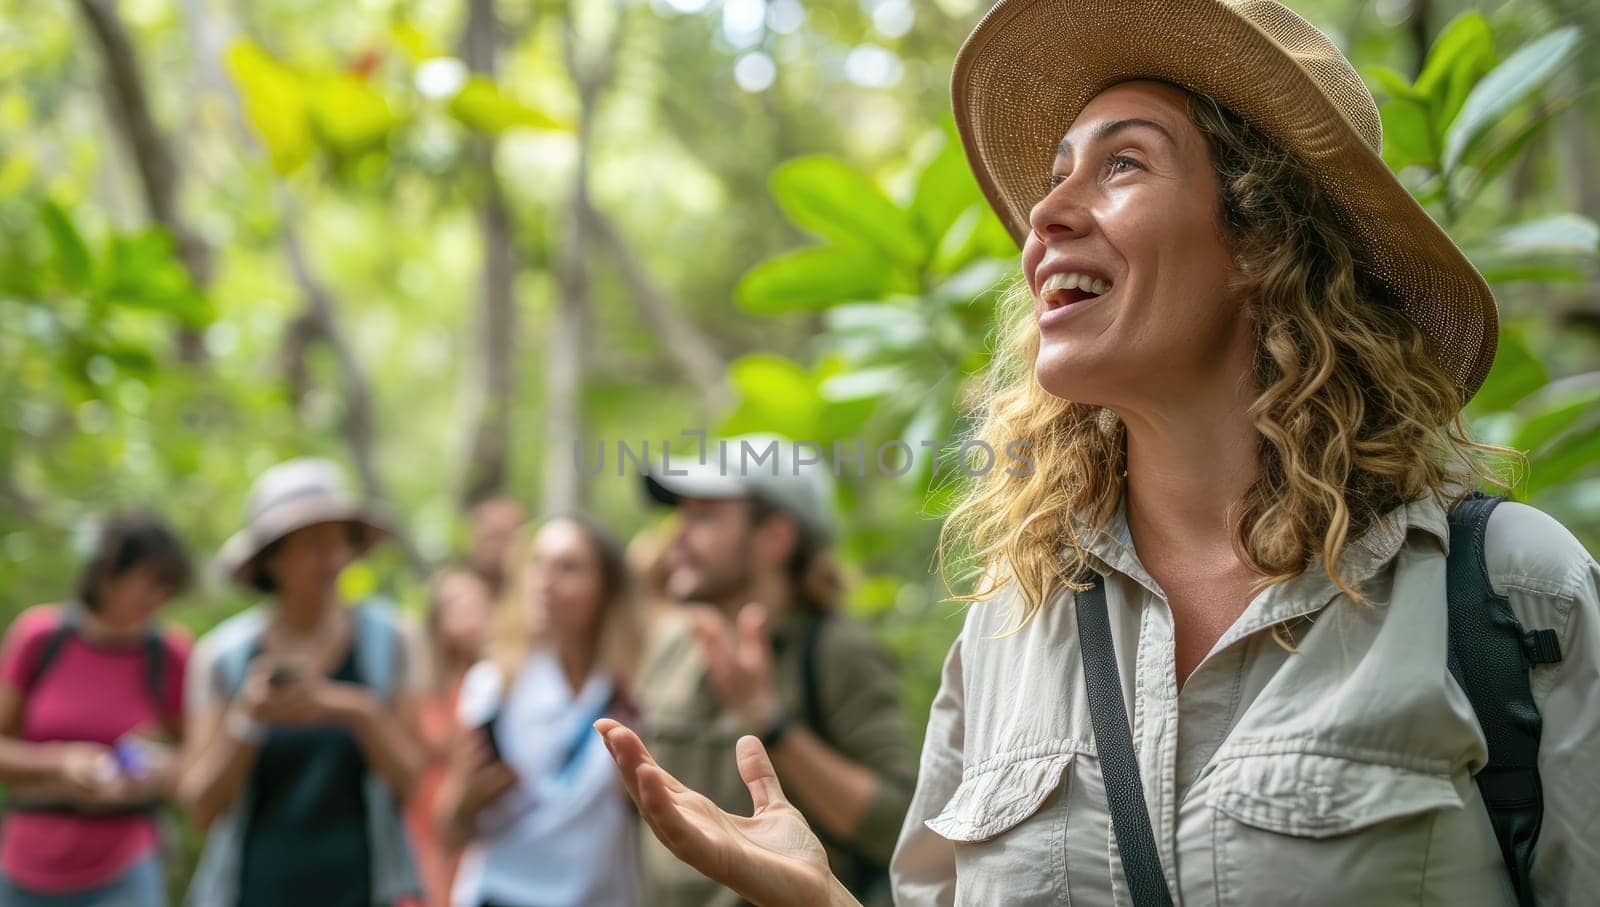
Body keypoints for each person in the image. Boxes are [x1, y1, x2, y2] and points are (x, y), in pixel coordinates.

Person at [595, 1, 1600, 904]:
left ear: (1261, 243)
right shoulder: (1005, 630)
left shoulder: (1504, 595)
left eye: (1121, 163)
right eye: (1054, 174)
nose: (1045, 214)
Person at [626, 434, 915, 907]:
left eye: (705, 516)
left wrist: (769, 719)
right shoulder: (671, 645)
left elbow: (898, 826)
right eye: (683, 514)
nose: (677, 535)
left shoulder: (837, 650)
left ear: (776, 537)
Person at [179, 457, 424, 907]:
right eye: (313, 544)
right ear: (272, 559)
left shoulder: (391, 641)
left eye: (339, 542)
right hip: (253, 888)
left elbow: (413, 785)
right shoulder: (223, 658)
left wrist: (353, 710)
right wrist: (249, 719)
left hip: (363, 887)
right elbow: (199, 807)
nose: (332, 558)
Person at [435, 515, 642, 907]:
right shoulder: (493, 687)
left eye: (569, 567)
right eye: (538, 563)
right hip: (502, 892)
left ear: (606, 588)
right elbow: (448, 830)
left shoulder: (628, 692)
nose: (546, 580)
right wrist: (468, 797)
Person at [0, 513, 193, 906]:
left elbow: (196, 760)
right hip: (27, 861)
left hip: (126, 862)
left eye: (167, 587)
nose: (156, 597)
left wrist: (156, 771)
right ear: (108, 572)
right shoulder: (39, 637)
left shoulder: (169, 655)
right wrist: (59, 763)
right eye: (149, 581)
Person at [408, 567, 495, 907]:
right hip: (424, 824)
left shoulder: (500, 684)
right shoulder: (420, 691)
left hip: (477, 822)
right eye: (457, 603)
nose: (470, 612)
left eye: (477, 601)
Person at [466, 496, 526, 600]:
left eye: (506, 537)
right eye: (493, 537)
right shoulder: (457, 592)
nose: (498, 546)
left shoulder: (530, 592)